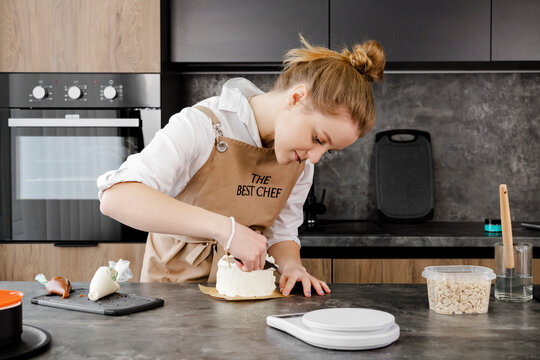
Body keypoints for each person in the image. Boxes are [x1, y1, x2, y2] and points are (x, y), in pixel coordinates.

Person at [98, 35, 385, 298]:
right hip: (173, 296)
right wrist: (226, 230)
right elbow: (117, 197)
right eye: (318, 139)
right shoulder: (202, 125)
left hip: (248, 296)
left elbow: (282, 235)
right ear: (296, 98)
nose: (316, 157)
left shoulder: (300, 163)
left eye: (328, 150)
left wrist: (292, 266)